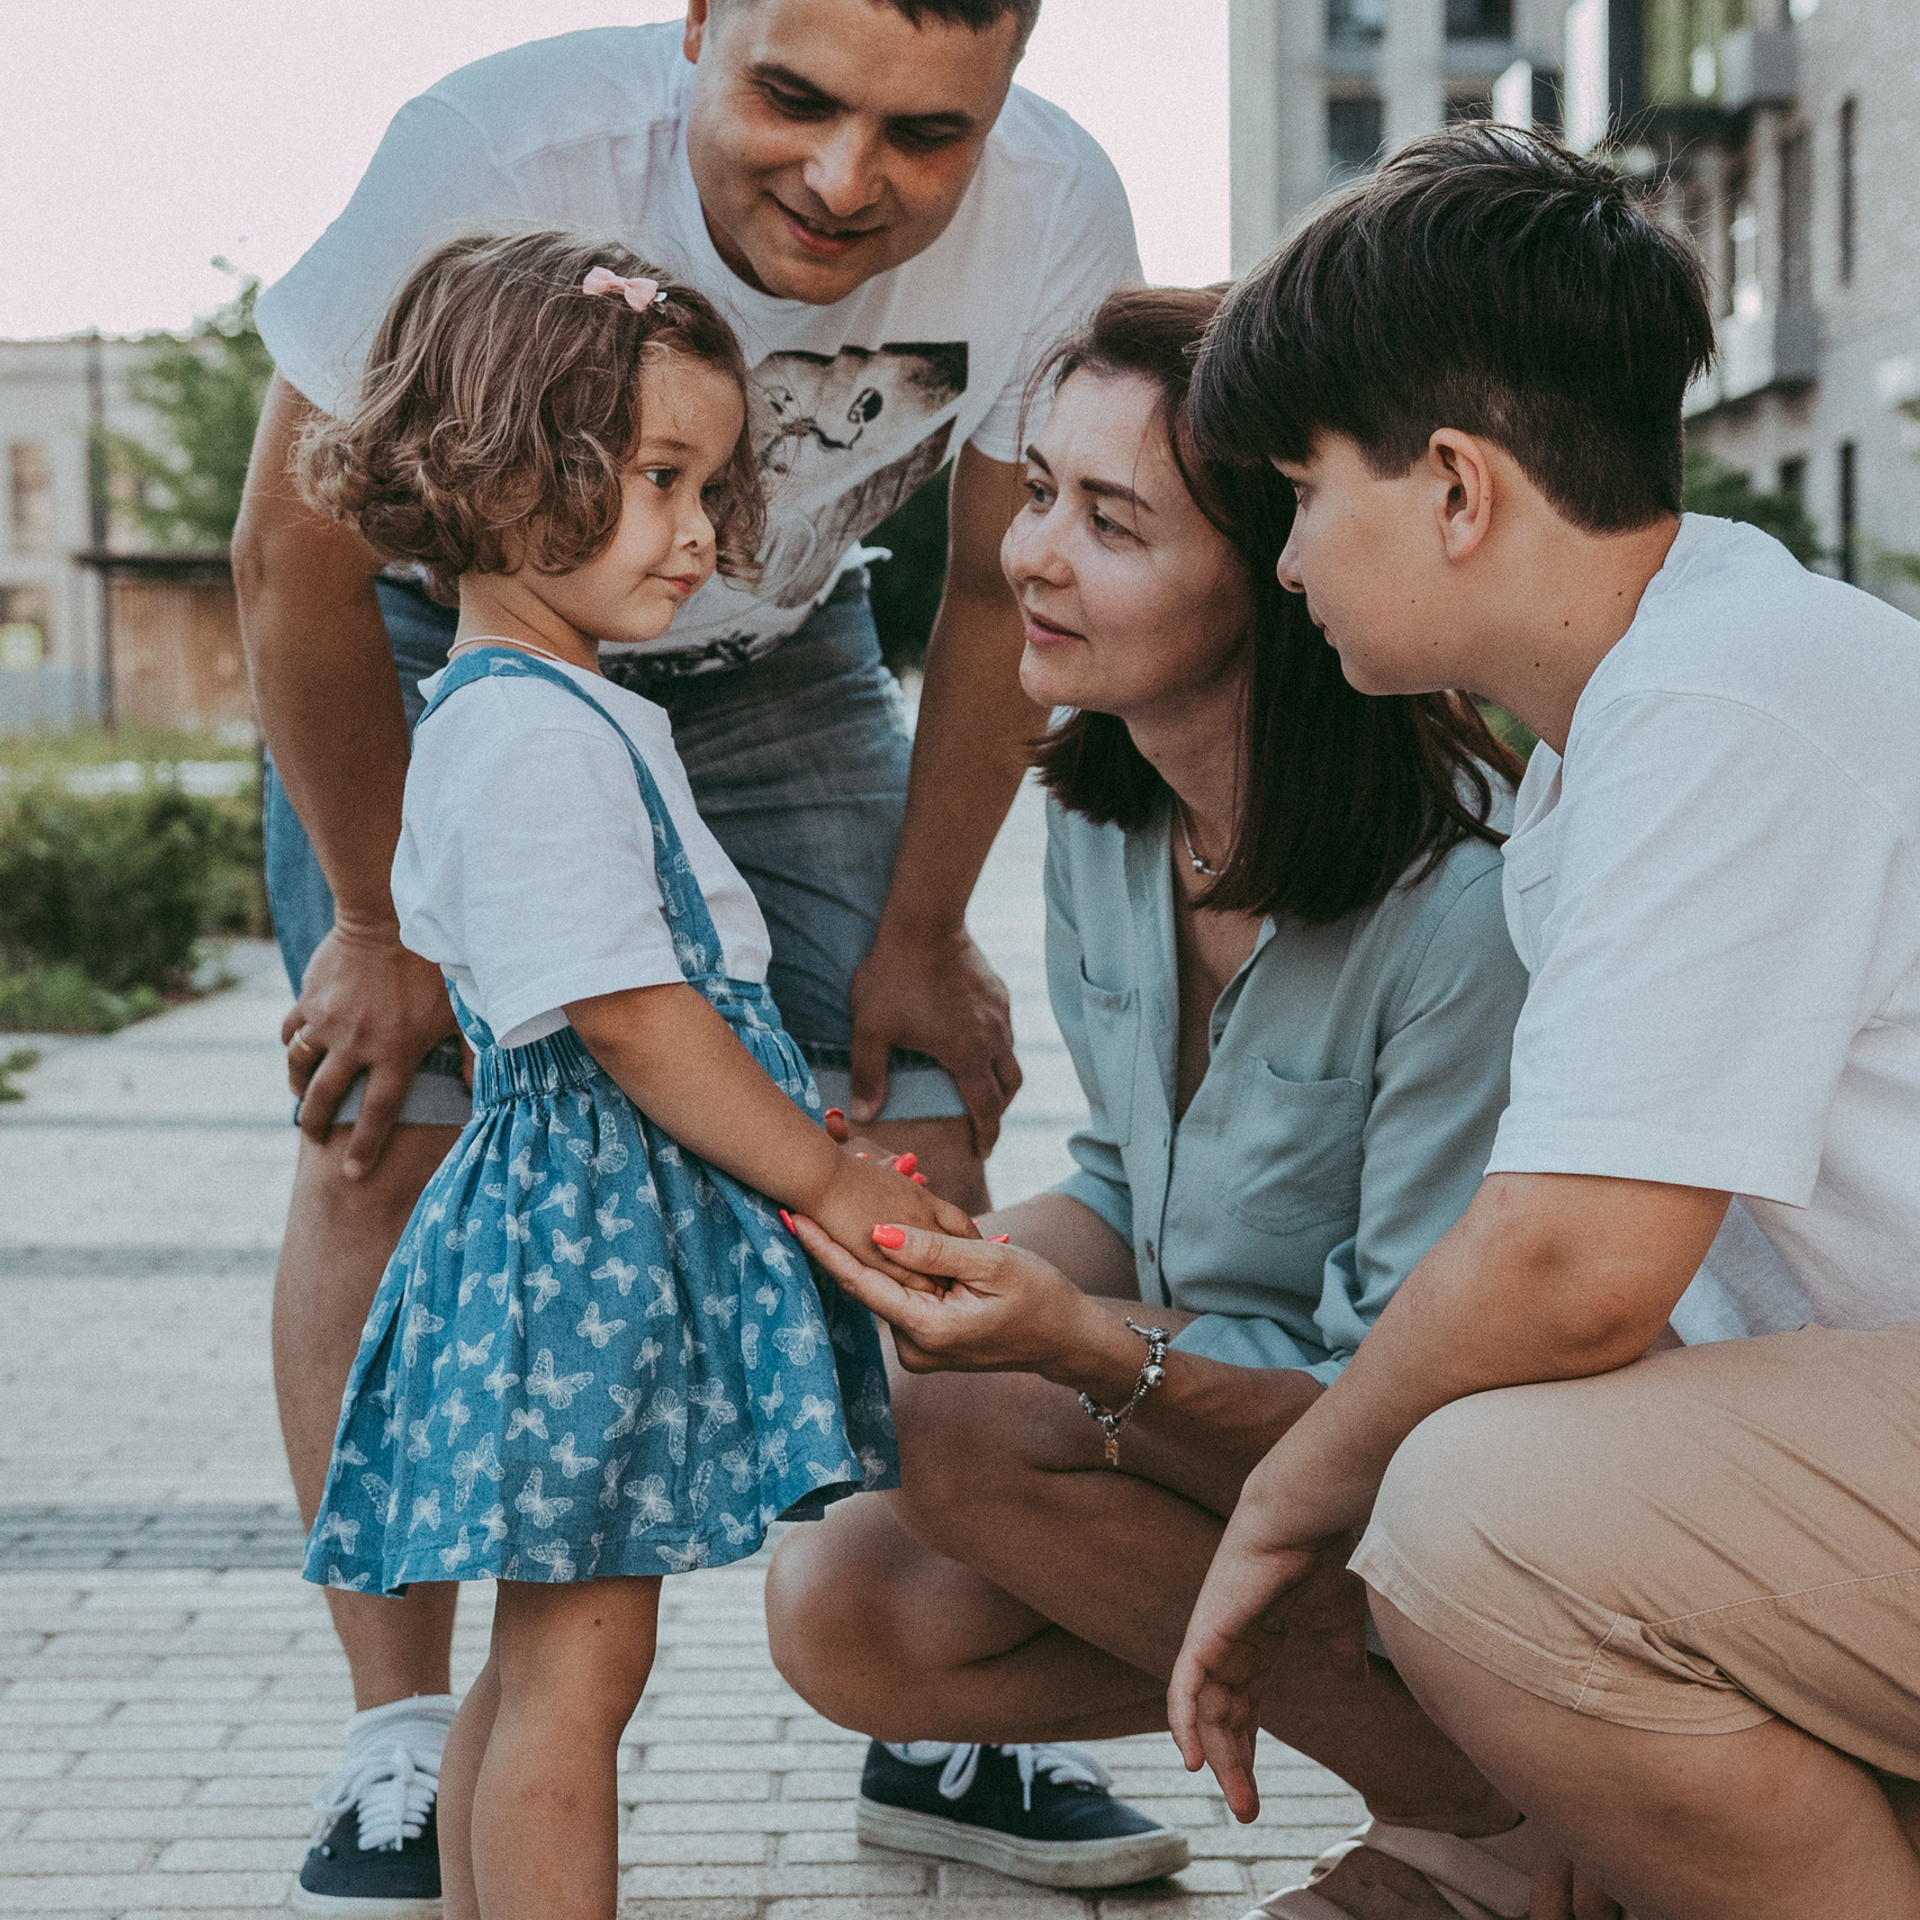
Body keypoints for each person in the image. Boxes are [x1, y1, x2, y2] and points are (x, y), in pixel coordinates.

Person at [232, 2, 1141, 1905]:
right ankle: (396, 1742)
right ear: (703, 23)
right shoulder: (499, 154)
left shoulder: (1061, 205)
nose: (846, 179)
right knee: (390, 1123)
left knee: (918, 1090)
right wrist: (385, 927)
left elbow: (991, 592)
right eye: (795, 99)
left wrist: (921, 934)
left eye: (926, 135)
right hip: (444, 628)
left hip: (781, 646)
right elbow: (294, 553)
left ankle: (945, 1689)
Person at [1166, 124, 1920, 1920]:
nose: (1285, 564)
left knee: (1480, 1519)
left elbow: (1578, 1263)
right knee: (1501, 1493)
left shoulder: (1726, 702)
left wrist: (1290, 1500)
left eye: (1300, 493)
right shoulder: (1658, 699)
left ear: (1454, 488)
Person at [763, 285, 1535, 1897]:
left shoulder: (1464, 903)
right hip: (1216, 1425)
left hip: (1443, 1462)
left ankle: (1501, 1826)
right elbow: (1131, 1180)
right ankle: (1486, 1778)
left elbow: (1416, 1398)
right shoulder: (1107, 812)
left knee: (967, 1415)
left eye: (1110, 522)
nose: (1031, 557)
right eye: (1039, 491)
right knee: (849, 1604)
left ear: (1284, 569)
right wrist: (898, 1253)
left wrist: (1064, 1341)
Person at [290, 228, 994, 1920]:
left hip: (579, 1250)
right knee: (577, 1681)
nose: (698, 532)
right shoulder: (533, 734)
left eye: (707, 484)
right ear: (501, 466)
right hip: (580, 1268)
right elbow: (631, 1016)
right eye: (656, 480)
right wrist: (824, 1176)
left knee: (543, 1666)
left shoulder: (545, 705)